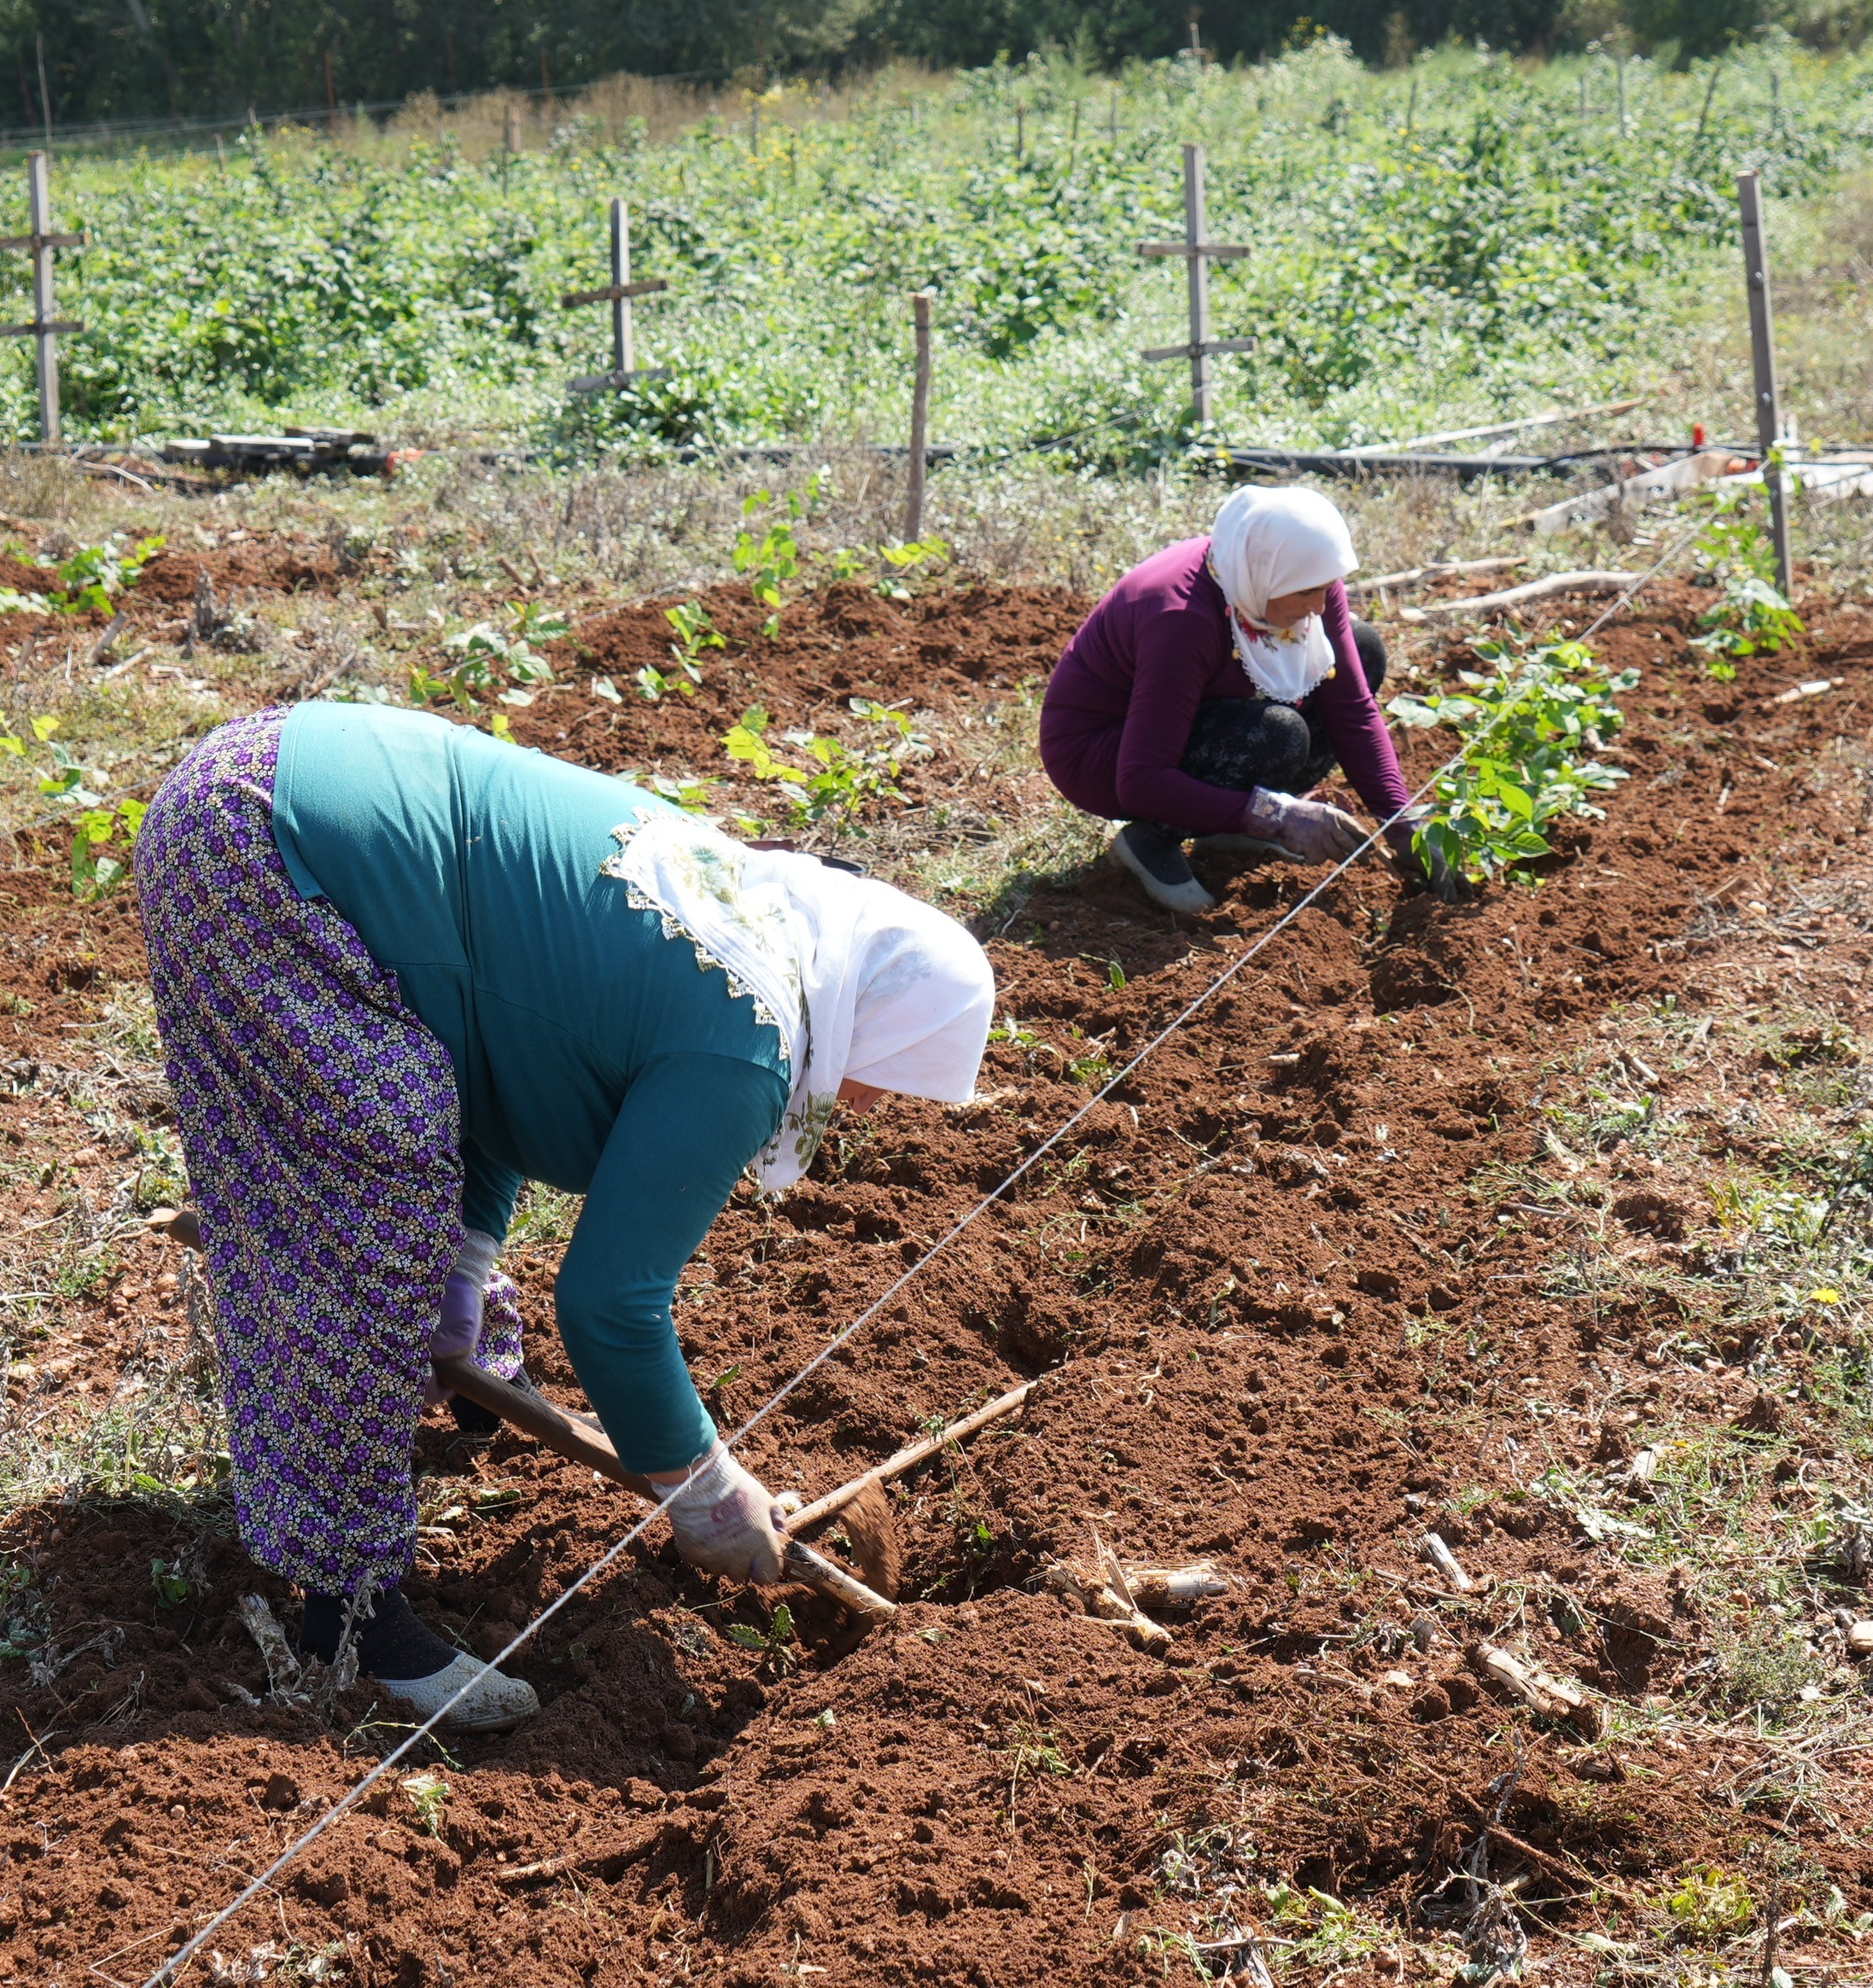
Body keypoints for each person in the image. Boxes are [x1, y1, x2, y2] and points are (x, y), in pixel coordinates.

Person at [134, 701, 996, 1729]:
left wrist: (458, 1264)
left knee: (395, 1185)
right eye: (894, 1081)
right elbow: (610, 1306)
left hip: (268, 785)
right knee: (352, 1211)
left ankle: (408, 1366)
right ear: (883, 1023)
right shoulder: (744, 1046)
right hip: (268, 851)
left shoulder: (750, 921)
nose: (871, 1105)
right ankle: (350, 1618)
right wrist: (705, 1490)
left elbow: (490, 1043)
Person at [1039, 484, 1413, 913]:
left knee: (1361, 652)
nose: (1318, 606)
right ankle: (1153, 839)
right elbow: (1141, 778)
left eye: (1325, 588)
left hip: (1187, 717)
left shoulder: (1285, 577)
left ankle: (1224, 820)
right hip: (1104, 753)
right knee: (1279, 735)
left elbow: (1351, 708)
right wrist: (1279, 816)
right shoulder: (1180, 619)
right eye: (1306, 592)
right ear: (1264, 573)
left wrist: (1402, 823)